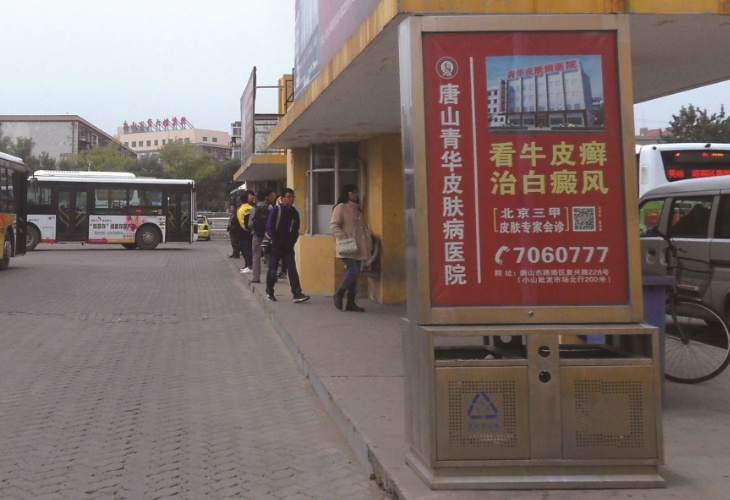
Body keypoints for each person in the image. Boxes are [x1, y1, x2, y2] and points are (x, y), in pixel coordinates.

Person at [330, 184, 372, 312]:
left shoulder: (358, 208)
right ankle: (339, 293)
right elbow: (334, 225)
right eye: (353, 192)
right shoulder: (341, 207)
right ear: (347, 193)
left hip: (359, 246)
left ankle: (351, 302)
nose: (356, 194)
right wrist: (344, 237)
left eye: (356, 192)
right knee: (353, 270)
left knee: (355, 274)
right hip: (347, 245)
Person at [265, 188, 309, 303]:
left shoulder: (294, 212)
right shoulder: (277, 209)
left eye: (292, 197)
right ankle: (269, 292)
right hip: (276, 246)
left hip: (288, 246)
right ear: (283, 198)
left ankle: (297, 293)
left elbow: (296, 229)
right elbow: (269, 226)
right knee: (273, 270)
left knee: (292, 269)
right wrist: (275, 240)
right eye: (288, 196)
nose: (291, 199)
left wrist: (292, 241)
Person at [248, 190, 269, 284]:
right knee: (268, 255)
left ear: (256, 198)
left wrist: (254, 229)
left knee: (256, 256)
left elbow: (250, 224)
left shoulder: (254, 209)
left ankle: (256, 278)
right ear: (265, 198)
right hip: (267, 235)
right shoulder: (270, 207)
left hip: (256, 235)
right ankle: (272, 276)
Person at [237, 190, 254, 273]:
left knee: (246, 250)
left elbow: (242, 223)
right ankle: (249, 266)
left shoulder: (240, 210)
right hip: (253, 232)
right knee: (251, 250)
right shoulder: (252, 208)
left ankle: (249, 266)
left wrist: (247, 230)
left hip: (244, 233)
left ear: (240, 200)